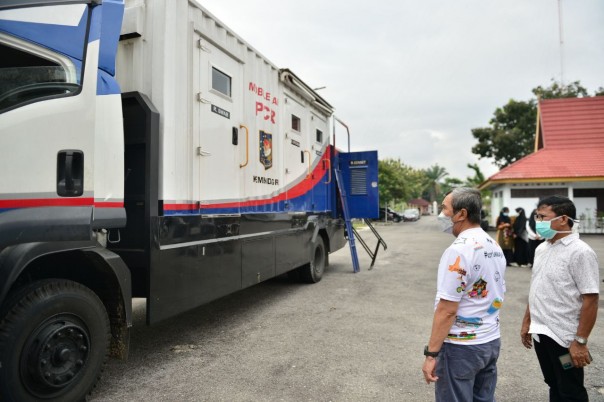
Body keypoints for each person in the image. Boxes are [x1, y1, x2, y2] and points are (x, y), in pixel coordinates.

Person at [422, 188, 507, 401]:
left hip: (461, 347)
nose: (442, 215)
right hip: (489, 341)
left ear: (461, 214)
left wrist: (431, 354)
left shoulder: (459, 251)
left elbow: (447, 309)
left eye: (444, 209)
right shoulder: (493, 245)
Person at [520, 195, 600, 401]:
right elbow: (537, 286)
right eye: (537, 216)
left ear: (563, 219)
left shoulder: (581, 252)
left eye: (543, 216)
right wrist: (527, 321)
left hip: (564, 337)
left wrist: (580, 341)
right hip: (541, 331)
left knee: (570, 389)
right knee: (553, 383)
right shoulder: (542, 249)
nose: (538, 221)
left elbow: (590, 299)